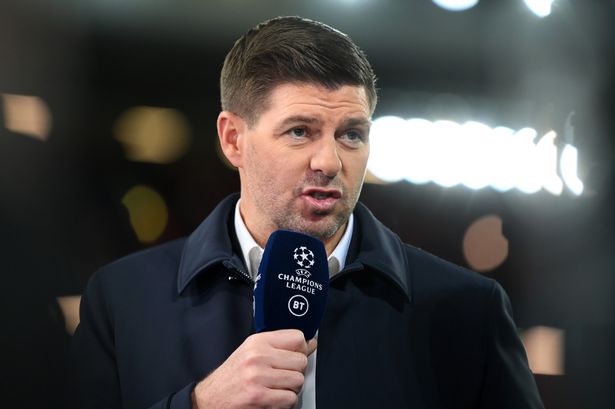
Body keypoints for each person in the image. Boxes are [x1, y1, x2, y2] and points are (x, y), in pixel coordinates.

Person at [69, 16, 545, 409]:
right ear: (233, 139)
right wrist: (199, 404)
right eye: (300, 131)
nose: (330, 161)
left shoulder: (468, 309)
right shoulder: (123, 298)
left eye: (351, 134)